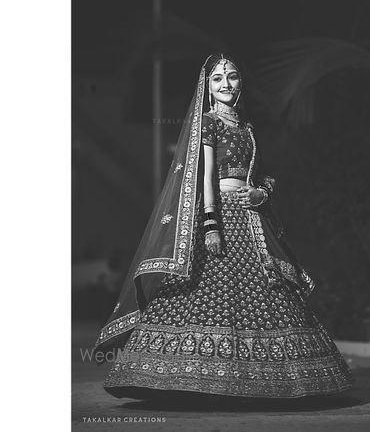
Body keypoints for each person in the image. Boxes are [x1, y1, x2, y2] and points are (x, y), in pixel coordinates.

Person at [93, 53, 353, 399]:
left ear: (241, 82)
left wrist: (261, 193)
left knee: (270, 293)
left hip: (252, 217)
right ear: (208, 86)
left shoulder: (247, 129)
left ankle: (267, 379)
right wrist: (211, 224)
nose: (226, 84)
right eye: (217, 78)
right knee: (206, 292)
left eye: (232, 76)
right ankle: (184, 376)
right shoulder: (208, 122)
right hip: (220, 215)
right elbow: (205, 177)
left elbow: (264, 176)